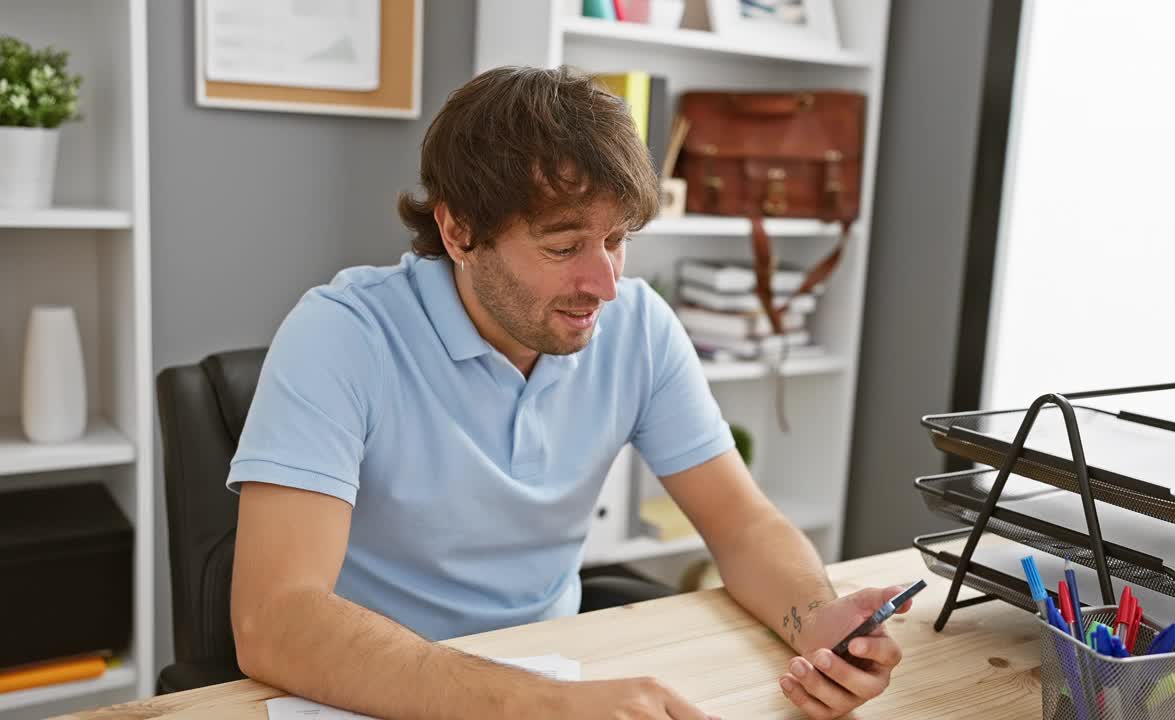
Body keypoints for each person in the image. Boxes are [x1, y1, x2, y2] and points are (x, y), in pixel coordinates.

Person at [228, 65, 910, 720]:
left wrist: (819, 622)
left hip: (556, 674)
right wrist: (537, 705)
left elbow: (742, 525)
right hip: (376, 689)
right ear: (459, 231)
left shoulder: (638, 324)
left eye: (617, 240)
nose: (606, 284)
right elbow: (275, 619)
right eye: (564, 247)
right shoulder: (341, 334)